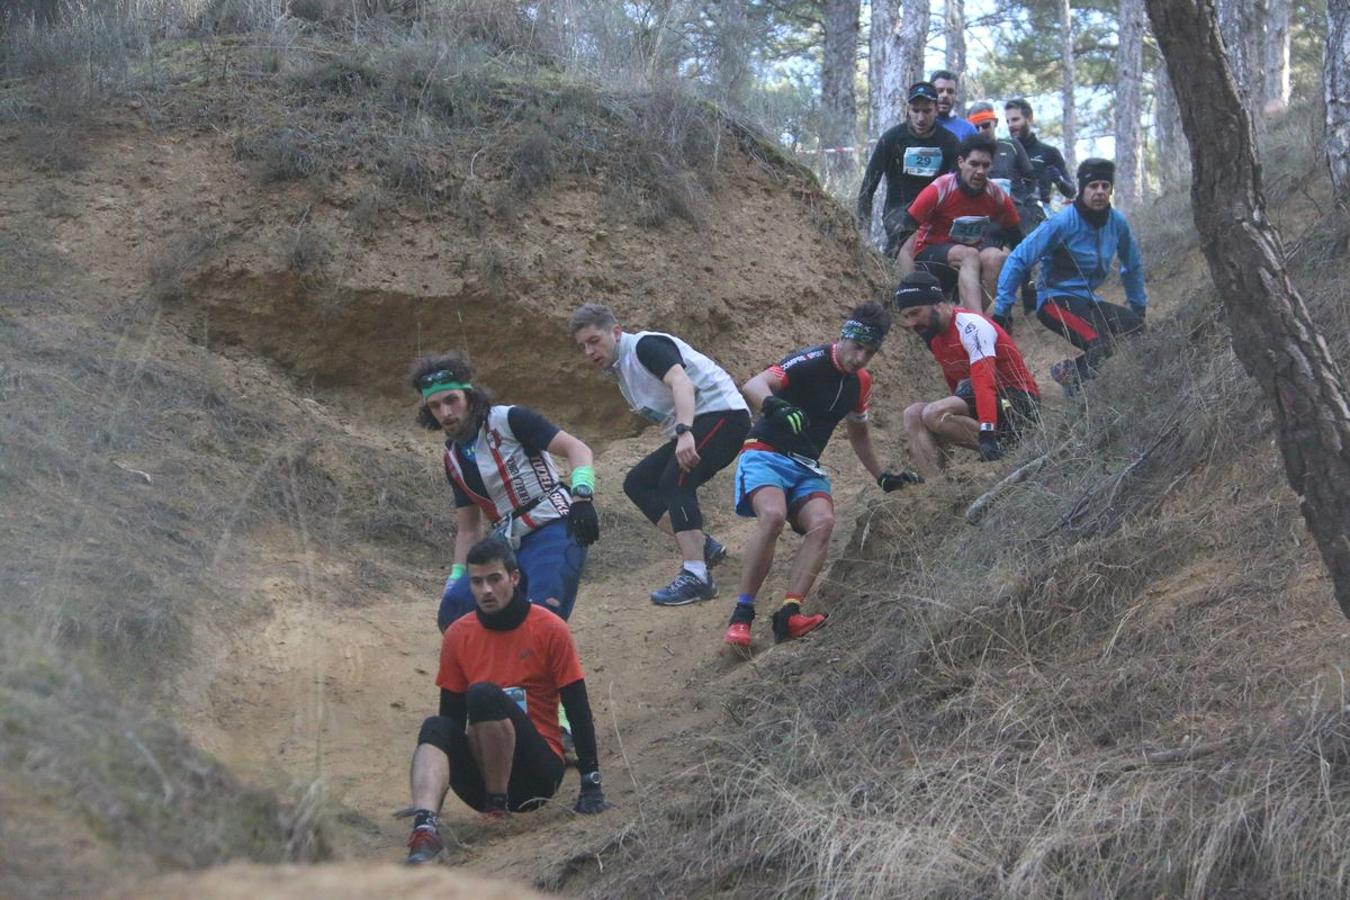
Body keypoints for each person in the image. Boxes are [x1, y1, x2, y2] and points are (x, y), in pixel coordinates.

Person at [403, 536, 611, 864]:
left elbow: (577, 706)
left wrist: (591, 781)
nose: (486, 590)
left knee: (483, 693)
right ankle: (425, 828)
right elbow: (451, 722)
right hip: (480, 783)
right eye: (477, 582)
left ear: (513, 578)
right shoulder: (458, 635)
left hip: (536, 776)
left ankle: (499, 809)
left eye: (494, 579)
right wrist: (433, 790)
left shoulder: (550, 628)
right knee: (435, 726)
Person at [722, 304, 919, 649]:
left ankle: (790, 613)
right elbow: (754, 384)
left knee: (824, 523)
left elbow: (859, 435)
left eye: (870, 353)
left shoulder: (860, 382)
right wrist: (775, 405)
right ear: (844, 336)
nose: (860, 358)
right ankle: (742, 615)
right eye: (857, 347)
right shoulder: (811, 359)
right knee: (772, 516)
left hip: (806, 465)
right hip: (765, 452)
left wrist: (882, 477)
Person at [569, 303, 752, 606]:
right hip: (701, 421)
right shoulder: (621, 370)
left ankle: (697, 576)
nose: (589, 351)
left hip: (723, 414)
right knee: (637, 483)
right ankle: (703, 547)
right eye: (582, 346)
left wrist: (684, 432)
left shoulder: (644, 346)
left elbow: (681, 381)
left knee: (675, 480)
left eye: (594, 341)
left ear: (616, 332)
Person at [411, 353, 599, 632]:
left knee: (542, 616)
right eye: (435, 406)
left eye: (451, 400)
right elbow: (468, 530)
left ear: (469, 397)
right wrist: (455, 580)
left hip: (553, 525)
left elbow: (578, 449)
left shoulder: (509, 418)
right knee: (454, 614)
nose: (446, 413)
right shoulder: (452, 457)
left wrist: (582, 497)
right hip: (507, 542)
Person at [992, 158, 1147, 393]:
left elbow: (1131, 265)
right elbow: (1018, 258)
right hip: (1054, 300)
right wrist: (1002, 312)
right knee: (1100, 343)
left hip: (1087, 299)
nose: (1099, 192)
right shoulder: (1063, 221)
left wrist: (1138, 306)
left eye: (1105, 186)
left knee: (1138, 331)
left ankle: (1074, 375)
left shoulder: (1117, 223)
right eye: (1093, 186)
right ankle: (1076, 390)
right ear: (1082, 188)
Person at [894, 272, 1041, 479]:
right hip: (986, 402)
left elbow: (984, 383)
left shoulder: (971, 327)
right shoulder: (935, 337)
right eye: (907, 316)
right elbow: (955, 383)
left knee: (933, 413)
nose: (911, 323)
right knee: (913, 413)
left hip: (1018, 402)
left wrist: (987, 434)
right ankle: (936, 486)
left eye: (915, 312)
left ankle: (1007, 448)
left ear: (937, 304)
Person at [905, 135, 1022, 313]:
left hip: (969, 263)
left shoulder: (996, 195)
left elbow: (1017, 237)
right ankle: (977, 321)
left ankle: (969, 319)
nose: (980, 171)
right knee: (969, 254)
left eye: (986, 165)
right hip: (929, 258)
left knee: (996, 257)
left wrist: (1028, 283)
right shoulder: (940, 188)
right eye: (974, 164)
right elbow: (905, 229)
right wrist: (906, 280)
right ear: (961, 162)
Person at [857, 81, 961, 260]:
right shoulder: (891, 139)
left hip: (936, 212)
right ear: (908, 110)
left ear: (936, 110)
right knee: (906, 240)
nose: (921, 118)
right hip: (898, 210)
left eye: (927, 111)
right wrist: (862, 231)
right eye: (915, 110)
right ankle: (893, 274)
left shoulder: (949, 142)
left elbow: (960, 184)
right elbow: (868, 186)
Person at [966, 102, 1038, 220]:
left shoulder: (1011, 145)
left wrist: (1023, 201)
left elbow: (1031, 178)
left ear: (995, 123)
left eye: (985, 125)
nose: (980, 131)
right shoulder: (966, 152)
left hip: (1015, 213)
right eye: (975, 127)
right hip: (982, 215)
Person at [932, 70, 977, 141]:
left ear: (955, 95)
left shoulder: (968, 130)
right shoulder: (919, 126)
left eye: (950, 91)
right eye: (940, 91)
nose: (945, 95)